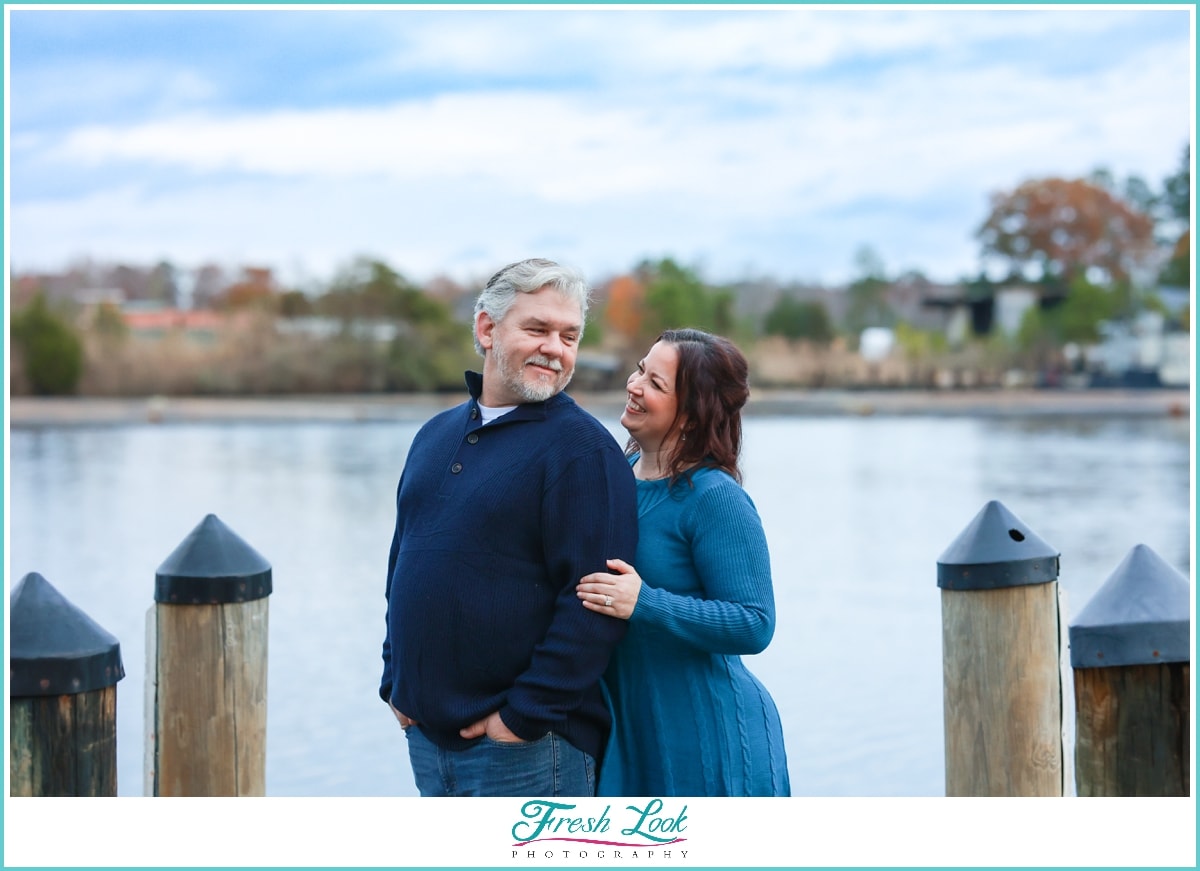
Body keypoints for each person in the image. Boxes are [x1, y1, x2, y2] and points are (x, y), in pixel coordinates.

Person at [379, 258, 639, 797]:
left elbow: (592, 605)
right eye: (537, 329)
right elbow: (402, 561)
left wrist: (521, 719)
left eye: (570, 336)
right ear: (486, 328)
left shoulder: (583, 451)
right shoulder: (435, 434)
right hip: (426, 737)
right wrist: (395, 682)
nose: (555, 348)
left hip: (530, 750)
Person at [576, 328, 791, 796]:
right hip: (629, 734)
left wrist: (644, 603)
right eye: (640, 371)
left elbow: (754, 623)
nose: (634, 386)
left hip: (708, 739)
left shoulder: (715, 499)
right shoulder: (614, 478)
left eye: (656, 384)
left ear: (692, 415)